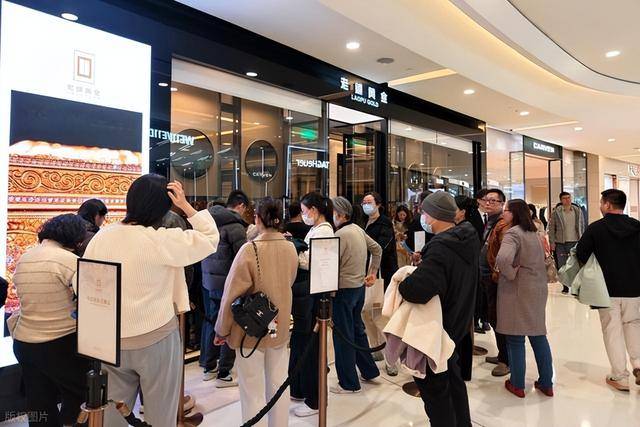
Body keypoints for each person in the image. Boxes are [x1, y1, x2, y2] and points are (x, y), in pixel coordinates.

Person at [84, 175, 219, 427]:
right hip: (157, 336)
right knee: (161, 415)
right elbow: (210, 238)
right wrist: (186, 205)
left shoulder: (102, 238)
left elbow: (84, 283)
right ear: (163, 207)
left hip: (110, 339)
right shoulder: (161, 239)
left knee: (111, 416)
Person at [398, 192, 480, 427]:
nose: (422, 217)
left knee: (436, 392)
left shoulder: (442, 247)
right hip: (458, 322)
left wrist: (405, 280)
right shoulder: (468, 237)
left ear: (433, 215)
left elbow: (416, 290)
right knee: (453, 383)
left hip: (437, 329)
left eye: (424, 212)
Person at [214, 197, 298, 427]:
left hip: (251, 330)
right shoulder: (290, 247)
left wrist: (222, 329)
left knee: (252, 390)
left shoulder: (249, 250)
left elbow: (231, 294)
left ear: (258, 219)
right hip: (279, 326)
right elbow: (289, 281)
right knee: (279, 384)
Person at [11, 214, 90, 426]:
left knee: (38, 403)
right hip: (60, 342)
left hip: (25, 342)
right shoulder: (69, 261)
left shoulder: (26, 257)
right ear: (75, 237)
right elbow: (90, 299)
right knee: (81, 398)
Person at [576, 189, 640, 392]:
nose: (600, 206)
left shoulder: (596, 228)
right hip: (634, 288)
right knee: (633, 326)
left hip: (606, 290)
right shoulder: (637, 226)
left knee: (612, 331)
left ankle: (620, 376)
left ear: (608, 205)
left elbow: (581, 254)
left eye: (601, 202)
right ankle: (639, 364)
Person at [495, 199, 554, 398]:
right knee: (538, 336)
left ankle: (517, 384)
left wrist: (510, 273)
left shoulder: (513, 233)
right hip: (537, 288)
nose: (503, 214)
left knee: (515, 338)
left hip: (517, 290)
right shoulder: (535, 233)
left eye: (506, 210)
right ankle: (546, 383)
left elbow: (503, 259)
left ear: (514, 213)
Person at [289, 192, 334, 418]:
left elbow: (313, 262)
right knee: (302, 344)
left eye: (305, 211)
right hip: (308, 295)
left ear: (314, 210)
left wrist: (293, 251)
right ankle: (300, 389)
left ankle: (314, 399)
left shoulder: (324, 232)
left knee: (311, 348)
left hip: (314, 296)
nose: (303, 215)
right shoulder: (316, 230)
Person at [331, 197, 382, 393]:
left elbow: (332, 264)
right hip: (359, 288)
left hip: (343, 290)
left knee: (343, 335)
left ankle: (349, 383)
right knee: (357, 330)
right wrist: (373, 272)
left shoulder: (340, 234)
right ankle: (369, 371)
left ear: (340, 214)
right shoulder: (358, 230)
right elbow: (377, 249)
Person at [200, 190, 249, 387]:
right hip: (228, 284)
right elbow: (242, 257)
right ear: (241, 206)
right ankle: (224, 372)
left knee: (211, 322)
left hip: (208, 282)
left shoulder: (208, 222)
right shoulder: (235, 226)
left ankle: (208, 367)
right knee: (229, 324)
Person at [362, 192, 398, 365]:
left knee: (379, 314)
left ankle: (392, 358)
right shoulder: (363, 222)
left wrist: (374, 269)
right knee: (365, 312)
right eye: (364, 202)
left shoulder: (384, 223)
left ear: (378, 204)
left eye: (369, 202)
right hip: (367, 273)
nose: (366, 205)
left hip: (381, 273)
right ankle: (375, 347)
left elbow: (381, 248)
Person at [479, 189, 510, 376]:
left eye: (493, 201)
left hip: (496, 278)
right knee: (492, 316)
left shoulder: (502, 223)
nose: (488, 203)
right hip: (487, 276)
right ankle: (502, 354)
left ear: (502, 204)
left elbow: (505, 252)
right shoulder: (490, 221)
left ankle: (506, 360)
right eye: (486, 200)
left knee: (499, 318)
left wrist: (497, 272)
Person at [454, 195, 484, 377]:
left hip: (464, 282)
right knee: (464, 326)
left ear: (462, 212)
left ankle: (462, 370)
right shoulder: (470, 226)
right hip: (468, 280)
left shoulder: (465, 230)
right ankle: (463, 369)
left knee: (462, 327)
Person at [548, 192, 585, 293]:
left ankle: (576, 286)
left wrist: (582, 239)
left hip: (575, 242)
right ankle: (565, 286)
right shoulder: (556, 212)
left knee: (575, 264)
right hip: (561, 243)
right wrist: (552, 243)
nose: (567, 200)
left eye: (569, 197)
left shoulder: (577, 211)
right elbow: (552, 229)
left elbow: (582, 226)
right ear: (561, 200)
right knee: (562, 265)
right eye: (564, 198)